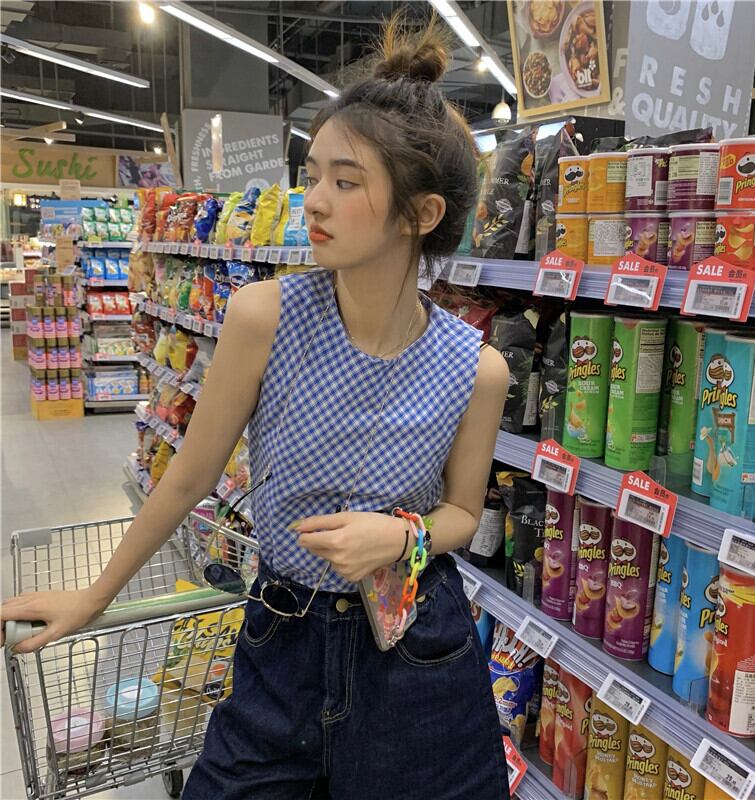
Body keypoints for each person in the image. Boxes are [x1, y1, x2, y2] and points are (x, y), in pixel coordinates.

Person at [1, 14, 510, 799]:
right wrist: (96, 597)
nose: (314, 201)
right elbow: (187, 476)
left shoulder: (477, 369)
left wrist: (402, 535)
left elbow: (463, 516)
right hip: (284, 640)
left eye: (346, 182)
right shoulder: (264, 317)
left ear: (422, 214)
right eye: (313, 175)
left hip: (415, 652)